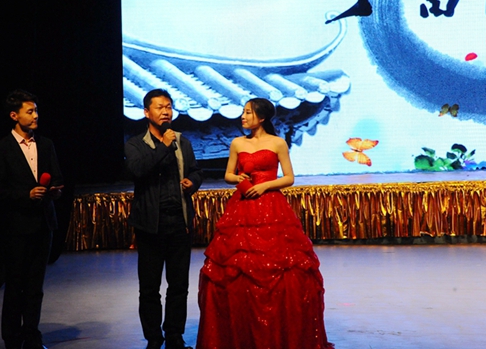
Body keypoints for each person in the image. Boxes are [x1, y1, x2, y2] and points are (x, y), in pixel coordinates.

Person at [196, 98, 334, 349]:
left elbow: (289, 178)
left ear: (261, 118)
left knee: (283, 267)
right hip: (243, 206)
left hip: (271, 205)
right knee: (236, 263)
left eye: (248, 112)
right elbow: (227, 175)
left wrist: (264, 185)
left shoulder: (277, 143)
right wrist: (238, 178)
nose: (243, 116)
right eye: (243, 112)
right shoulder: (238, 143)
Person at [125, 89, 204, 349]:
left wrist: (192, 182)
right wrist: (164, 146)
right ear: (146, 112)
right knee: (149, 288)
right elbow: (139, 170)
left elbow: (196, 171)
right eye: (159, 107)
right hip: (150, 225)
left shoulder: (183, 141)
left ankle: (174, 337)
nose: (166, 111)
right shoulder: (135, 144)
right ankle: (153, 339)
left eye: (169, 106)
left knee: (178, 286)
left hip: (179, 223)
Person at [0, 89, 63, 349]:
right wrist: (25, 195)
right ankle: (11, 338)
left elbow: (57, 177)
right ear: (14, 115)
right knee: (15, 285)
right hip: (16, 228)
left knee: (35, 287)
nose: (35, 116)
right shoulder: (1, 149)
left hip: (43, 224)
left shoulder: (46, 144)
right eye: (29, 111)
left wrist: (54, 190)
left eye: (36, 111)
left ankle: (32, 336)